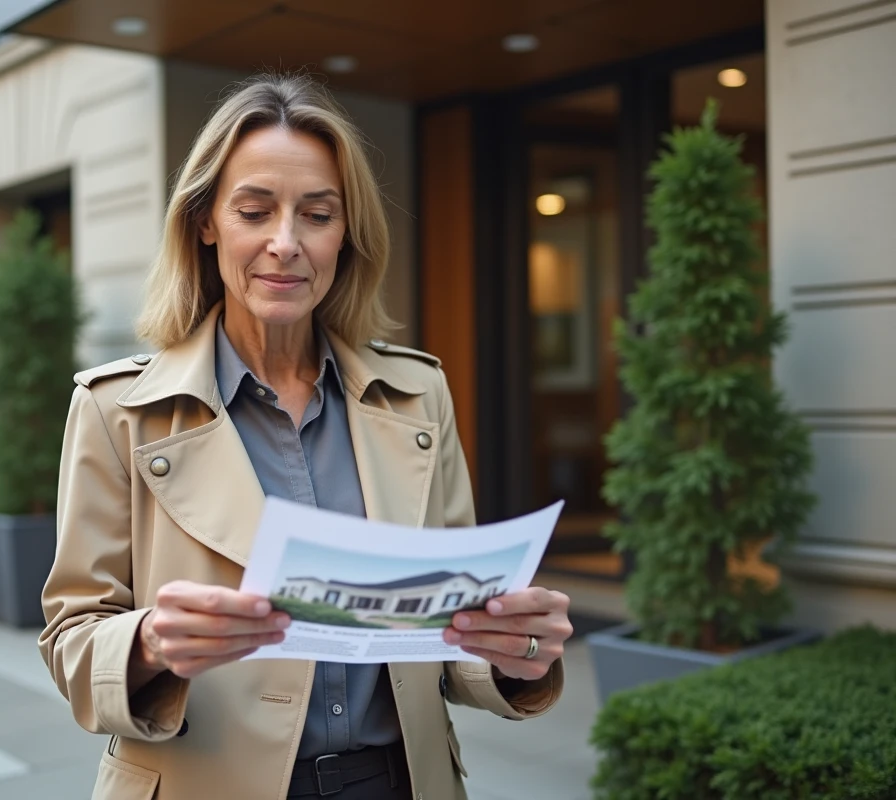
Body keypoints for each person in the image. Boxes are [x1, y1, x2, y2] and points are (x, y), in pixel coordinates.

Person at [40, 73, 573, 800]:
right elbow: (71, 638)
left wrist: (516, 650)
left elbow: (449, 638)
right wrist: (148, 643)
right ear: (205, 221)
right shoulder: (117, 409)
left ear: (346, 230)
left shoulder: (419, 396)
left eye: (317, 215)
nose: (285, 244)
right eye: (254, 211)